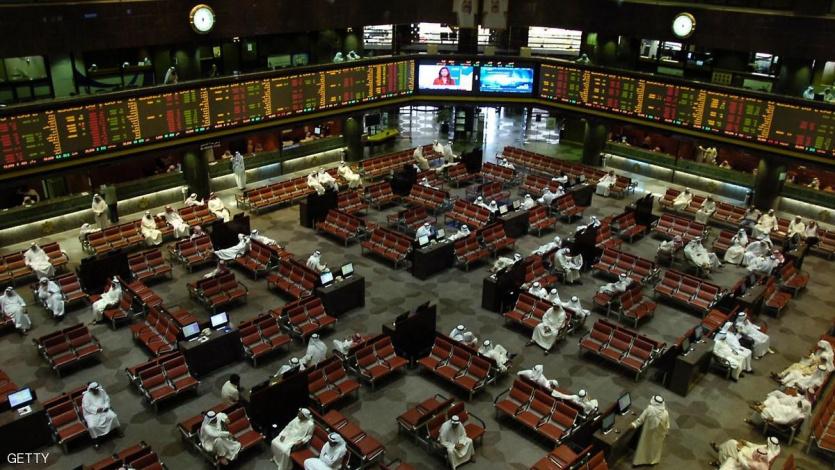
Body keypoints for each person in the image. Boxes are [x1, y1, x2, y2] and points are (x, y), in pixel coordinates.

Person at [630, 395, 670, 466]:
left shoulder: (649, 409)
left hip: (648, 434)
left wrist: (633, 424)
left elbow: (640, 420)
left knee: (644, 448)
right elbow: (667, 425)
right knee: (654, 449)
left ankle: (639, 462)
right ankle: (652, 461)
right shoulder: (666, 413)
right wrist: (665, 433)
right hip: (659, 436)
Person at [81, 382, 121, 448]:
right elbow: (87, 407)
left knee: (113, 416)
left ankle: (117, 430)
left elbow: (107, 399)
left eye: (97, 389)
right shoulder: (86, 396)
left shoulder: (101, 391)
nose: (97, 391)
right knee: (92, 426)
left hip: (104, 410)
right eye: (95, 390)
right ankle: (96, 441)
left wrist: (106, 407)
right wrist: (96, 409)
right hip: (92, 414)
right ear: (91, 389)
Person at [711, 436, 780, 469]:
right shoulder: (766, 447)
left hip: (744, 456)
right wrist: (746, 443)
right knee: (732, 442)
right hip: (745, 450)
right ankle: (719, 449)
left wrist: (740, 451)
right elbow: (754, 446)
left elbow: (751, 462)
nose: (767, 443)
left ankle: (720, 458)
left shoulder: (767, 456)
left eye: (768, 443)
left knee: (731, 445)